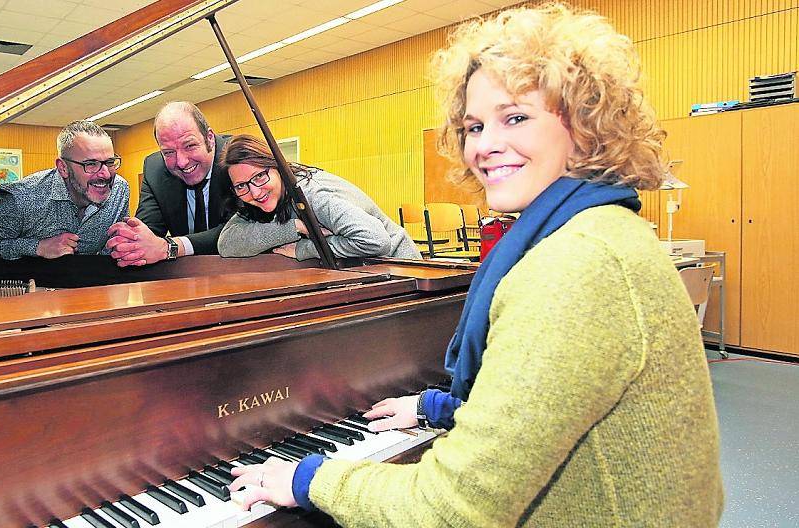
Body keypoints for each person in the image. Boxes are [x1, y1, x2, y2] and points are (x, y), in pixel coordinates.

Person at [226, 4, 724, 527]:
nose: (484, 146)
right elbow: (547, 407)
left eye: (515, 118)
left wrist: (310, 478)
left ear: (583, 123)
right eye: (473, 126)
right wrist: (435, 409)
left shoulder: (577, 266)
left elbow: (452, 509)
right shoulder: (595, 229)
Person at [216, 134, 420, 260]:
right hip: (362, 270)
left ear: (276, 167)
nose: (255, 192)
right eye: (241, 186)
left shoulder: (311, 193)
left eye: (260, 176)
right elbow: (227, 244)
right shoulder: (256, 201)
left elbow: (375, 240)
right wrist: (293, 227)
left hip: (401, 268)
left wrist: (303, 249)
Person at [0, 120, 129, 259]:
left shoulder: (119, 190)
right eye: (91, 164)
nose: (106, 174)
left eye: (109, 162)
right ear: (63, 167)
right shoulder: (20, 199)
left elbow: (113, 245)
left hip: (90, 290)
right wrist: (37, 247)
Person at [106, 102, 232, 265]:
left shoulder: (238, 159)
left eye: (190, 146)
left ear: (209, 138)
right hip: (185, 280)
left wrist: (171, 246)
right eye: (168, 152)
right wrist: (130, 242)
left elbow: (240, 229)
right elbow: (147, 232)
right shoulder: (155, 169)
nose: (181, 162)